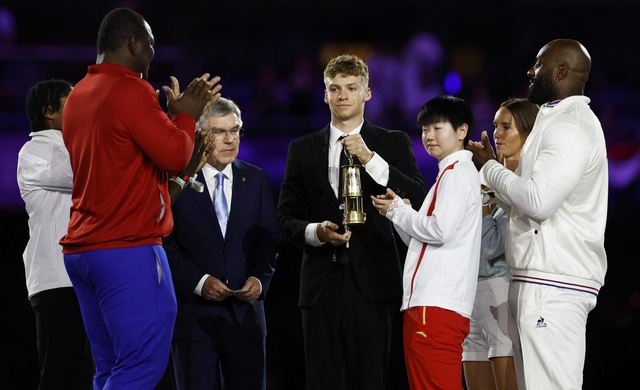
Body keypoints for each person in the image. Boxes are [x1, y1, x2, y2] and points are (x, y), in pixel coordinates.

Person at [60, 7, 221, 389]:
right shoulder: (131, 89)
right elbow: (175, 155)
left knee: (110, 370)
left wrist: (167, 120)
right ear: (133, 42)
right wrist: (184, 117)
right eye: (150, 45)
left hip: (83, 250)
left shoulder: (80, 94)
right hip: (126, 249)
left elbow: (134, 162)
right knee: (140, 369)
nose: (152, 55)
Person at [277, 54, 427, 390]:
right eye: (335, 88)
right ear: (325, 95)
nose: (343, 95)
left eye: (351, 87)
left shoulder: (391, 142)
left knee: (371, 379)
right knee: (321, 380)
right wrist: (316, 232)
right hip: (319, 284)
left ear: (367, 93)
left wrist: (371, 160)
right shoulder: (301, 149)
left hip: (374, 283)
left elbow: (416, 191)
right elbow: (286, 216)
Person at [467, 39, 608, 389]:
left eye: (538, 64)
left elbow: (538, 201)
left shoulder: (572, 126)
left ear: (560, 71)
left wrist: (490, 170)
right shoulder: (555, 119)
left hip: (554, 284)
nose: (530, 71)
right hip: (539, 279)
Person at [163, 97, 281, 390]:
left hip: (246, 320)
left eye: (236, 130)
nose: (230, 139)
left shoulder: (255, 179)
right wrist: (200, 282)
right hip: (194, 321)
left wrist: (259, 278)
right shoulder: (177, 182)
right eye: (219, 132)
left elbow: (269, 240)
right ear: (201, 135)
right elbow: (163, 243)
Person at [372, 95, 482, 390]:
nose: (428, 136)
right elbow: (423, 241)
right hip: (431, 306)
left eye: (437, 128)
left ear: (461, 131)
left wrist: (399, 211)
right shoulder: (449, 174)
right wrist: (399, 214)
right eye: (424, 129)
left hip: (435, 307)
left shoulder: (457, 175)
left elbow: (439, 231)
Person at [17, 79, 93, 389]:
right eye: (71, 102)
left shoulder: (74, 145)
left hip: (89, 280)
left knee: (92, 376)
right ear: (49, 112)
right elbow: (88, 175)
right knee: (60, 377)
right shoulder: (35, 151)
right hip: (57, 283)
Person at [463, 98, 539, 390]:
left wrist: (485, 197)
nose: (497, 133)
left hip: (503, 296)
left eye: (506, 127)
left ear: (529, 134)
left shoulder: (530, 186)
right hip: (471, 298)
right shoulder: (487, 179)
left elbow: (489, 247)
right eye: (495, 125)